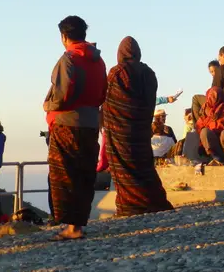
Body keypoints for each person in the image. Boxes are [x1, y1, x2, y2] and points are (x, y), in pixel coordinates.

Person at [43, 15, 108, 241]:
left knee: (64, 176)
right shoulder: (98, 61)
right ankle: (78, 224)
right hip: (90, 124)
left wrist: (47, 105)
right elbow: (102, 94)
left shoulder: (69, 59)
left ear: (64, 36)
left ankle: (71, 227)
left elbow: (61, 95)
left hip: (66, 124)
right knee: (84, 175)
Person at [103, 36, 173, 217]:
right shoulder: (149, 74)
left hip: (120, 133)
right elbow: (149, 102)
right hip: (142, 130)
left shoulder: (117, 73)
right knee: (144, 167)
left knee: (124, 169)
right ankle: (153, 201)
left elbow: (108, 102)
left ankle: (130, 206)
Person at [191, 86, 224, 167]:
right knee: (204, 132)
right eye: (211, 96)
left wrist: (209, 122)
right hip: (213, 145)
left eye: (215, 96)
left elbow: (222, 125)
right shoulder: (204, 109)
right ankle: (216, 158)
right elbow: (199, 126)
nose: (212, 98)